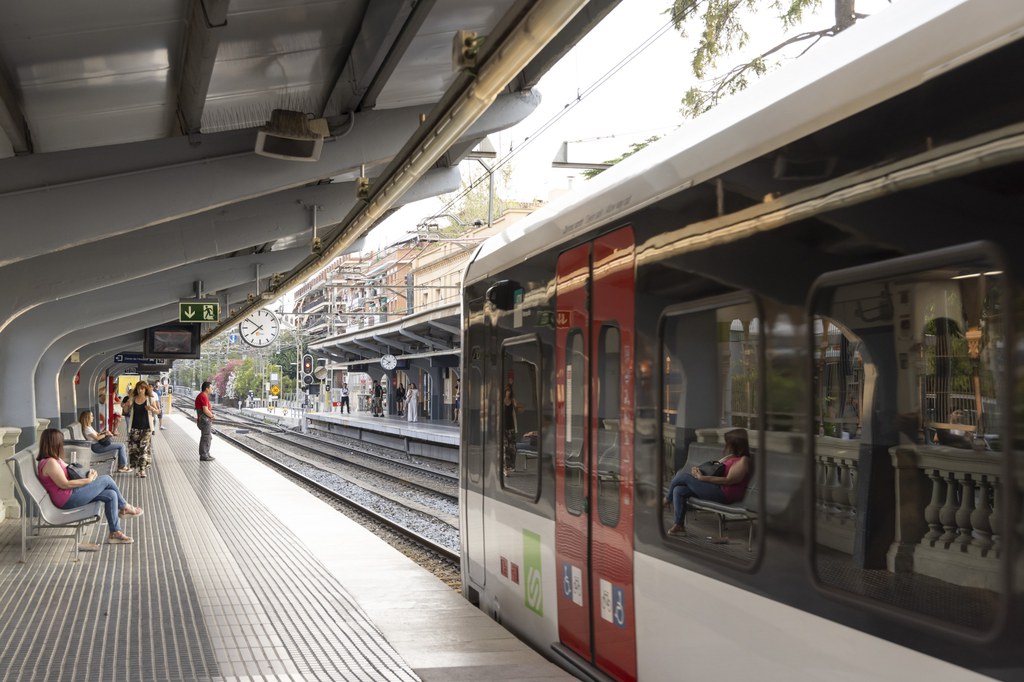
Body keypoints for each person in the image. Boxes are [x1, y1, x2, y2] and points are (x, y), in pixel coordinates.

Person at [36, 428, 142, 544]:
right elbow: (65, 484)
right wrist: (88, 480)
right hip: (67, 499)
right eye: (61, 442)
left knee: (111, 494)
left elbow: (72, 470)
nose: (62, 445)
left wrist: (88, 473)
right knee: (106, 479)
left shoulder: (55, 460)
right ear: (55, 443)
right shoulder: (50, 463)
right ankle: (125, 507)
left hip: (71, 494)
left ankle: (115, 532)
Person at [664, 428, 753, 535]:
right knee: (679, 490)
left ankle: (666, 500)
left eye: (728, 443)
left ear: (736, 444)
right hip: (715, 488)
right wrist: (698, 470)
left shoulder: (743, 461)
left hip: (724, 494)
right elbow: (714, 469)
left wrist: (702, 478)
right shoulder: (731, 457)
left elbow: (728, 480)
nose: (727, 445)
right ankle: (679, 525)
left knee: (683, 477)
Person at [126, 382, 159, 477]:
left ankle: (142, 470)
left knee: (143, 449)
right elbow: (126, 411)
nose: (140, 390)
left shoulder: (150, 399)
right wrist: (126, 405)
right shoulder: (133, 399)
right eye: (138, 388)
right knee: (135, 450)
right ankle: (137, 469)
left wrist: (151, 409)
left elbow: (158, 411)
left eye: (142, 388)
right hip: (134, 428)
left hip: (146, 428)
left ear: (145, 389)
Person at [502, 384, 522, 475]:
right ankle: (505, 467)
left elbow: (518, 408)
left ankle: (511, 465)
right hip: (503, 428)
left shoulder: (512, 401)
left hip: (511, 427)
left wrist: (516, 404)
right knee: (505, 448)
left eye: (509, 391)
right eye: (507, 390)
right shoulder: (502, 401)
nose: (508, 392)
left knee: (512, 448)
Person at [195, 380, 215, 462]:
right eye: (211, 388)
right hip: (205, 420)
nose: (212, 389)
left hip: (204, 419)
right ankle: (204, 455)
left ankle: (206, 453)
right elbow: (205, 410)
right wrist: (212, 416)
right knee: (206, 437)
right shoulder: (203, 396)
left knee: (208, 437)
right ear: (207, 388)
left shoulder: (203, 396)